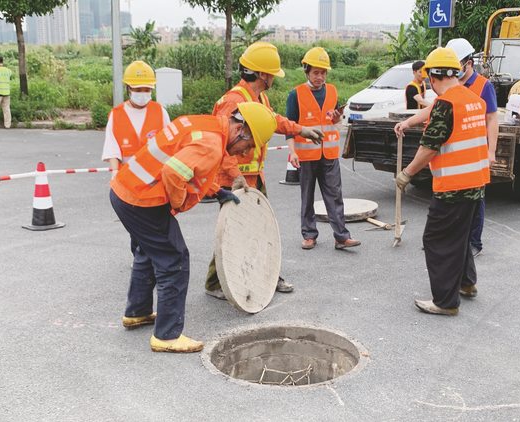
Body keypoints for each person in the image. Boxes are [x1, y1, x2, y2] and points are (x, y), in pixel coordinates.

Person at [109, 102, 277, 353]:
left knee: (147, 251)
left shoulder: (205, 125)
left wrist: (217, 191)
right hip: (143, 201)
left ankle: (137, 312)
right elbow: (174, 174)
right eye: (249, 145)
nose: (244, 152)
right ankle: (166, 336)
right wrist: (178, 204)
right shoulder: (212, 144)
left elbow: (189, 168)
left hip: (127, 190)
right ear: (240, 128)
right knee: (174, 258)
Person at [204, 42, 324, 300]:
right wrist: (235, 175)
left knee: (263, 228)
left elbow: (273, 120)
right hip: (233, 178)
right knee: (233, 231)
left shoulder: (258, 98)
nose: (273, 78)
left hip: (254, 176)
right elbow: (221, 143)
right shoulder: (233, 101)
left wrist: (299, 129)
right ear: (263, 75)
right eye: (272, 74)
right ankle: (216, 283)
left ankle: (266, 274)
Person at [393, 47, 490, 316]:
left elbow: (429, 148)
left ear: (433, 78)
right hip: (475, 182)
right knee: (458, 235)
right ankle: (467, 283)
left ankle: (445, 302)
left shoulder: (446, 103)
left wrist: (407, 174)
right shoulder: (471, 99)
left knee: (436, 239)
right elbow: (434, 110)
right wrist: (409, 122)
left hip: (453, 186)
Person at [286, 47, 360, 251]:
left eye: (323, 72)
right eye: (316, 72)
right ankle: (309, 235)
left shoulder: (333, 91)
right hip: (306, 155)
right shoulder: (296, 95)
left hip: (329, 154)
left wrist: (337, 118)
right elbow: (290, 128)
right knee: (307, 196)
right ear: (306, 71)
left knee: (335, 195)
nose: (320, 77)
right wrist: (292, 152)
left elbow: (331, 120)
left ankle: (341, 236)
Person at [446, 38, 498, 258]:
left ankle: (474, 242)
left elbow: (492, 119)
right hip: (454, 154)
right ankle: (453, 240)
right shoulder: (450, 85)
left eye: (457, 66)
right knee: (453, 199)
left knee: (476, 198)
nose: (453, 71)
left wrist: (491, 152)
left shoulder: (483, 86)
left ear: (469, 63)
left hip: (476, 154)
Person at [102, 61, 170, 179]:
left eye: (147, 90)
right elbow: (112, 147)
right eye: (138, 90)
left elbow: (169, 144)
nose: (143, 93)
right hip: (127, 176)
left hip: (155, 176)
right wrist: (115, 171)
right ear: (129, 89)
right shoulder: (117, 114)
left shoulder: (160, 111)